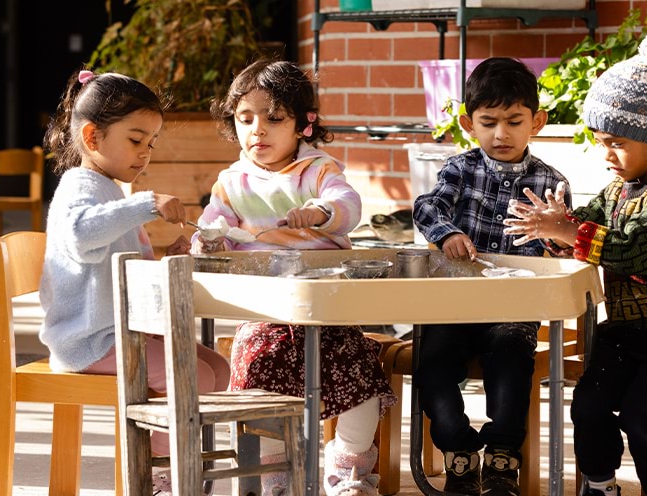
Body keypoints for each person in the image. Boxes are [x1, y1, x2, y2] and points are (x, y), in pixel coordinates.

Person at [503, 32, 647, 496]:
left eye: (616, 143)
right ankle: (599, 484)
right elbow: (587, 229)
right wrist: (555, 232)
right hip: (623, 331)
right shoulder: (617, 191)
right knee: (589, 405)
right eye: (601, 142)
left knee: (642, 412)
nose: (606, 155)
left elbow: (628, 248)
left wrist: (567, 232)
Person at [191, 59, 396, 496]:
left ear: (304, 124)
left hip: (327, 313)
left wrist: (322, 212)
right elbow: (211, 227)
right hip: (264, 312)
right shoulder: (231, 182)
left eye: (273, 118)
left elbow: (347, 203)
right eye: (245, 119)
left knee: (362, 377)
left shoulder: (318, 170)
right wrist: (207, 241)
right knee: (258, 376)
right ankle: (275, 478)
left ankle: (347, 471)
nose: (257, 130)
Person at [40, 68, 232, 495]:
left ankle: (183, 461)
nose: (145, 153)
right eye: (135, 139)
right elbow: (81, 235)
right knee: (195, 377)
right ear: (92, 138)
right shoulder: (79, 185)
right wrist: (146, 203)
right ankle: (160, 477)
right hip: (89, 340)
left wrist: (172, 257)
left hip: (120, 333)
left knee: (217, 369)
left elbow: (127, 271)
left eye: (150, 143)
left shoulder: (110, 191)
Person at [412, 57, 571, 496]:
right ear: (468, 123)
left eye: (514, 121)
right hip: (456, 304)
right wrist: (447, 234)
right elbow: (427, 207)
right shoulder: (459, 169)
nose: (501, 134)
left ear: (536, 122)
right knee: (433, 366)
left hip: (514, 308)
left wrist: (556, 234)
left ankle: (502, 456)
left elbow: (562, 248)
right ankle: (459, 451)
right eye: (489, 122)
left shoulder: (550, 181)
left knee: (512, 363)